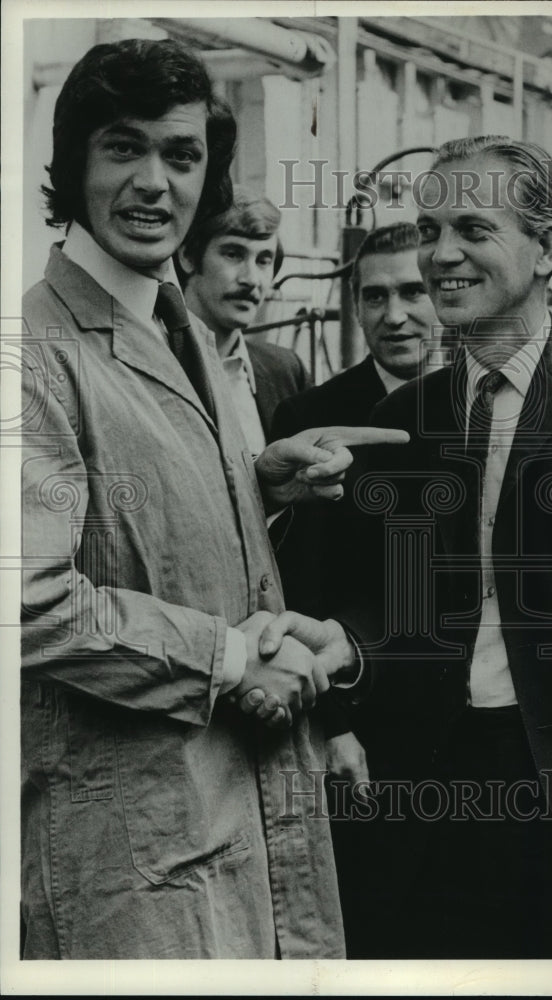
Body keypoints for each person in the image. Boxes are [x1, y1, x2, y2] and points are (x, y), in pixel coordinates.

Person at [260, 135, 552, 959]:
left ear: (548, 246)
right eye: (430, 227)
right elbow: (404, 610)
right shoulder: (409, 418)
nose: (441, 253)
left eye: (473, 230)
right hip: (419, 810)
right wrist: (347, 646)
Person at [20, 37, 403, 960]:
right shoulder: (33, 351)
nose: (155, 181)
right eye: (124, 147)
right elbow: (26, 601)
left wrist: (253, 483)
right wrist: (231, 657)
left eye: (182, 155)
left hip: (245, 812)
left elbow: (129, 522)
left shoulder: (173, 322)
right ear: (74, 163)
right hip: (133, 846)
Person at [270, 222, 441, 956]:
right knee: (379, 922)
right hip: (372, 720)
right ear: (353, 305)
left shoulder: (492, 406)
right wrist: (335, 724)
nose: (394, 314)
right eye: (374, 296)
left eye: (414, 291)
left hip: (485, 718)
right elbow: (298, 582)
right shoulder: (313, 417)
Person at [179, 185, 311, 447]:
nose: (251, 279)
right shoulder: (152, 361)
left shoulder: (285, 370)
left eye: (263, 260)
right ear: (188, 257)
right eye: (233, 254)